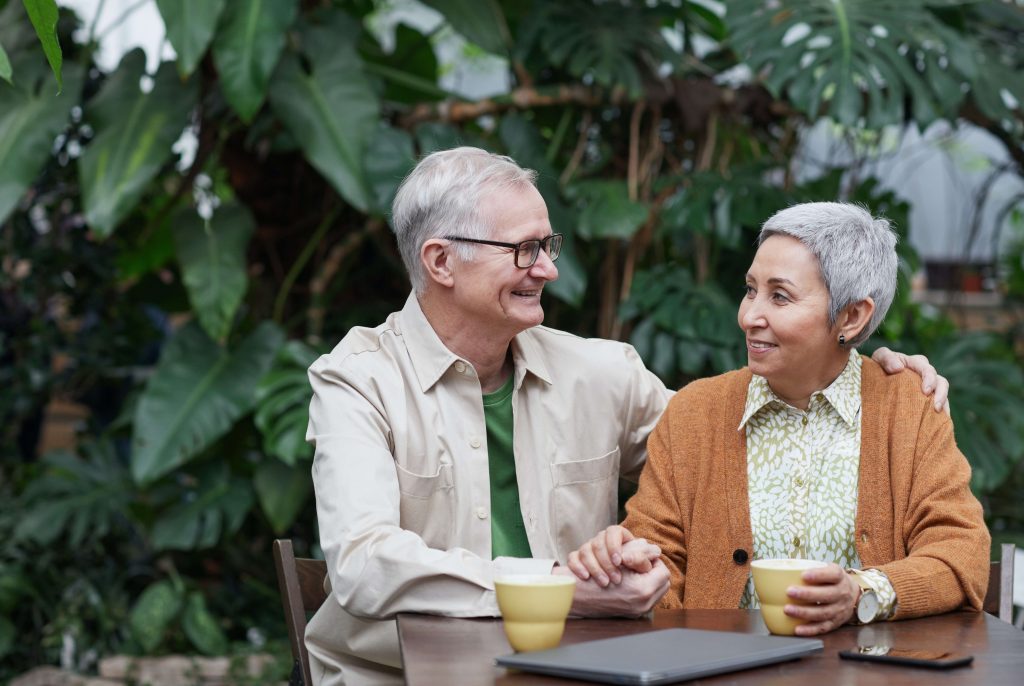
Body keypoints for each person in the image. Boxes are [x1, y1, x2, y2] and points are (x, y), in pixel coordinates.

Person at [304, 150, 948, 685]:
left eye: (548, 245)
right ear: (441, 260)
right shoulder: (356, 382)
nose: (550, 270)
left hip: (574, 674)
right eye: (525, 250)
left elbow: (734, 444)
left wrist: (856, 366)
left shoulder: (600, 373)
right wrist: (557, 589)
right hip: (395, 677)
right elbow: (362, 565)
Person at [568, 202, 989, 637]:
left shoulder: (909, 409)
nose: (749, 316)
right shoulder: (695, 412)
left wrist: (862, 593)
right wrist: (627, 565)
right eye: (750, 290)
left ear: (852, 316)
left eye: (780, 296)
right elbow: (657, 560)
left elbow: (961, 554)